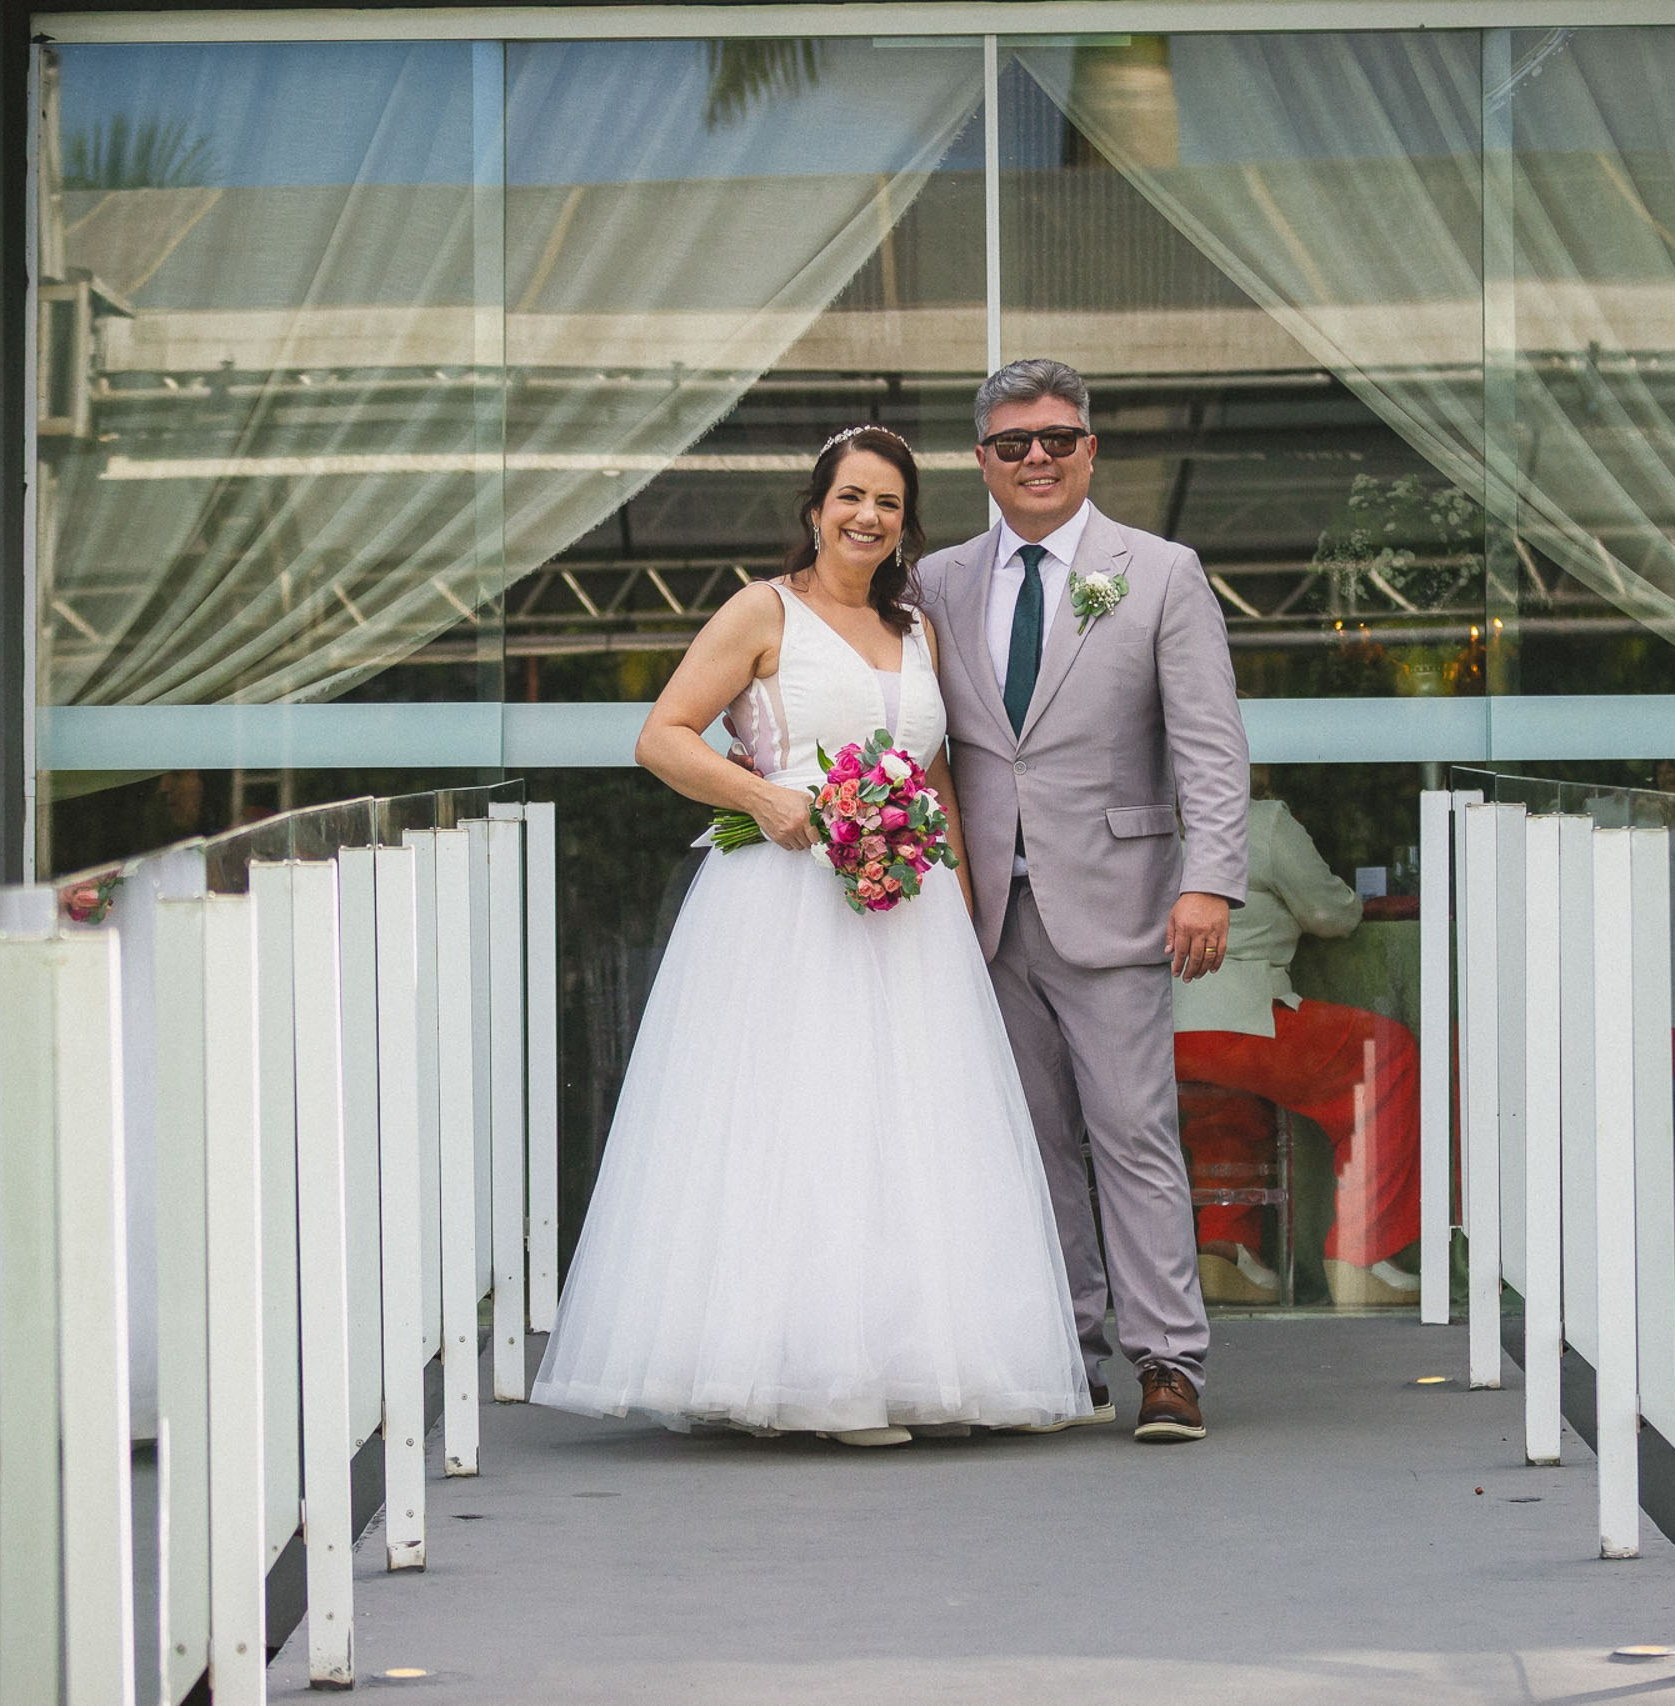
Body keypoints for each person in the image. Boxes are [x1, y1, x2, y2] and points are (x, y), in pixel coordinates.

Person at [529, 426, 1090, 1447]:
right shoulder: (762, 608)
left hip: (904, 909)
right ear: (815, 505)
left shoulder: (917, 632)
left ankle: (916, 1363)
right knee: (799, 1121)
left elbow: (938, 777)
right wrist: (764, 798)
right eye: (850, 496)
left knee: (910, 1132)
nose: (866, 516)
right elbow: (660, 734)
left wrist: (960, 902)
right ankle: (812, 1374)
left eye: (886, 501)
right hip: (782, 897)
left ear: (904, 522)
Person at [915, 359, 1252, 1443]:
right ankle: (1067, 1350)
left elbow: (1209, 743)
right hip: (977, 916)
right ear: (982, 461)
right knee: (1030, 1141)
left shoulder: (1156, 572)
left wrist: (1209, 879)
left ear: (1090, 449)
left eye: (1058, 437)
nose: (1037, 458)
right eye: (1013, 443)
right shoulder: (936, 581)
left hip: (1118, 903)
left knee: (1134, 1132)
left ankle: (1168, 1361)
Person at [1170, 799, 1422, 1310]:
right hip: (1237, 1016)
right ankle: (1362, 1252)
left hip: (1156, 1027)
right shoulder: (1261, 821)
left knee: (1228, 1107)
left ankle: (1226, 1249)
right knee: (1386, 1055)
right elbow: (1332, 913)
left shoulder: (1135, 822)